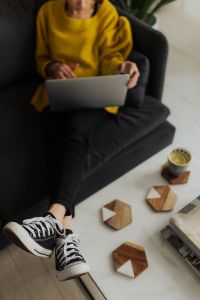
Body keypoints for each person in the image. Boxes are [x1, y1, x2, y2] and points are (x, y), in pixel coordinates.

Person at [3, 0, 140, 281]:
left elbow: (111, 57)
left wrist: (122, 68)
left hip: (95, 94)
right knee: (58, 150)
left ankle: (52, 218)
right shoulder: (48, 12)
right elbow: (41, 58)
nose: (80, 1)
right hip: (57, 95)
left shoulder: (107, 14)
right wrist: (53, 67)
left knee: (75, 136)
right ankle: (66, 237)